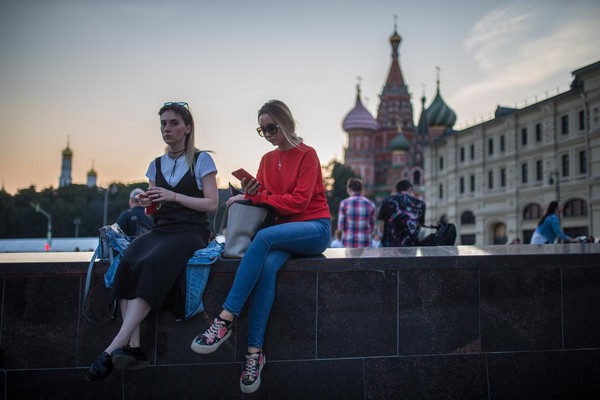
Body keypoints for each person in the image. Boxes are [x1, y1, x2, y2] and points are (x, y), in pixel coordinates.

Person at [190, 100, 331, 394]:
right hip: (281, 232)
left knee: (262, 239)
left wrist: (260, 198)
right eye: (261, 129)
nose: (267, 134)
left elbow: (300, 202)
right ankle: (255, 354)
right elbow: (265, 198)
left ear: (287, 123)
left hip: (314, 228)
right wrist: (249, 193)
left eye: (272, 127)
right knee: (266, 267)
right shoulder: (267, 160)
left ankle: (225, 319)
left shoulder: (308, 154)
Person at [85, 102, 219, 382]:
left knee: (153, 262)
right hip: (161, 230)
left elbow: (211, 204)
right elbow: (153, 210)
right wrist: (149, 203)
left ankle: (112, 348)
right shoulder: (155, 165)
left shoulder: (202, 160)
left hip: (191, 231)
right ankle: (133, 349)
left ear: (188, 128)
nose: (167, 129)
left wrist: (172, 196)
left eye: (173, 123)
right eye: (163, 123)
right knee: (129, 259)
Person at [377, 179, 426, 247]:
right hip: (410, 248)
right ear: (410, 189)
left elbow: (381, 227)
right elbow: (419, 226)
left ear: (397, 190)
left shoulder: (387, 201)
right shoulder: (420, 204)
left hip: (389, 247)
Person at [337, 178, 376, 248]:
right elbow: (372, 227)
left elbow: (340, 227)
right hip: (365, 242)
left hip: (349, 243)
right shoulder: (370, 204)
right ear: (361, 189)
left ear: (349, 189)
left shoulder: (344, 203)